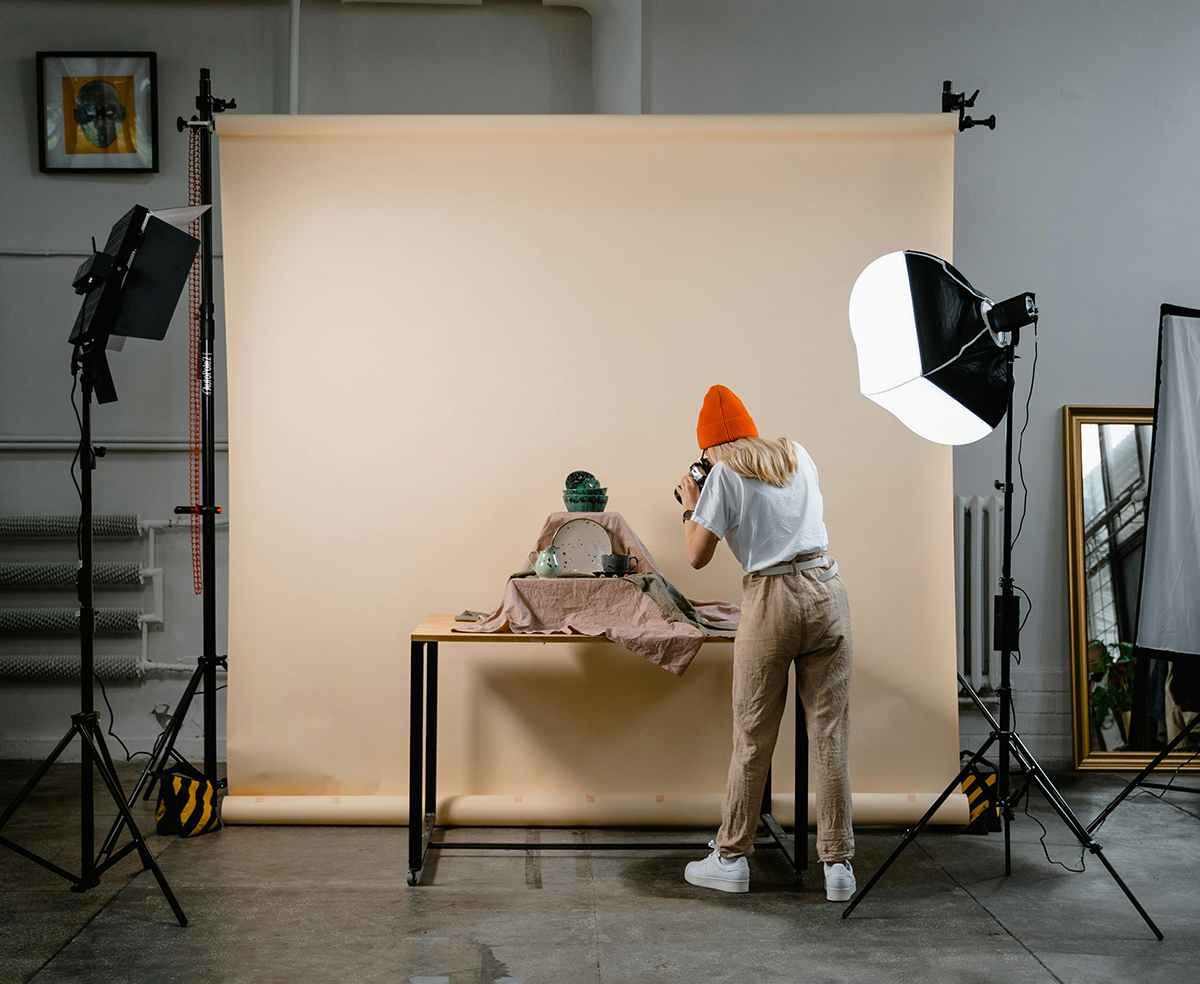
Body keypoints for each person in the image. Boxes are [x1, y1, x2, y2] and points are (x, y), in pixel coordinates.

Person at [676, 385, 855, 901]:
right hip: (827, 588)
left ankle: (731, 858)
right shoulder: (797, 453)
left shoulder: (723, 476)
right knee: (830, 734)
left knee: (753, 736)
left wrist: (693, 505)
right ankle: (838, 866)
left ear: (708, 450)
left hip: (773, 596)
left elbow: (695, 557)